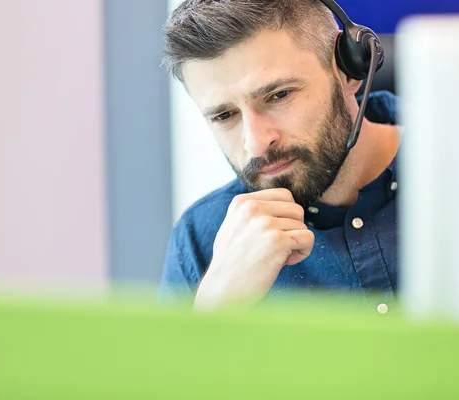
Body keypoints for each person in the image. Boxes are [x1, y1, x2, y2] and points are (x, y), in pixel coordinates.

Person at [159, 0, 401, 310]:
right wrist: (214, 312)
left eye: (279, 95)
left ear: (349, 71)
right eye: (224, 116)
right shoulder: (200, 241)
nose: (257, 144)